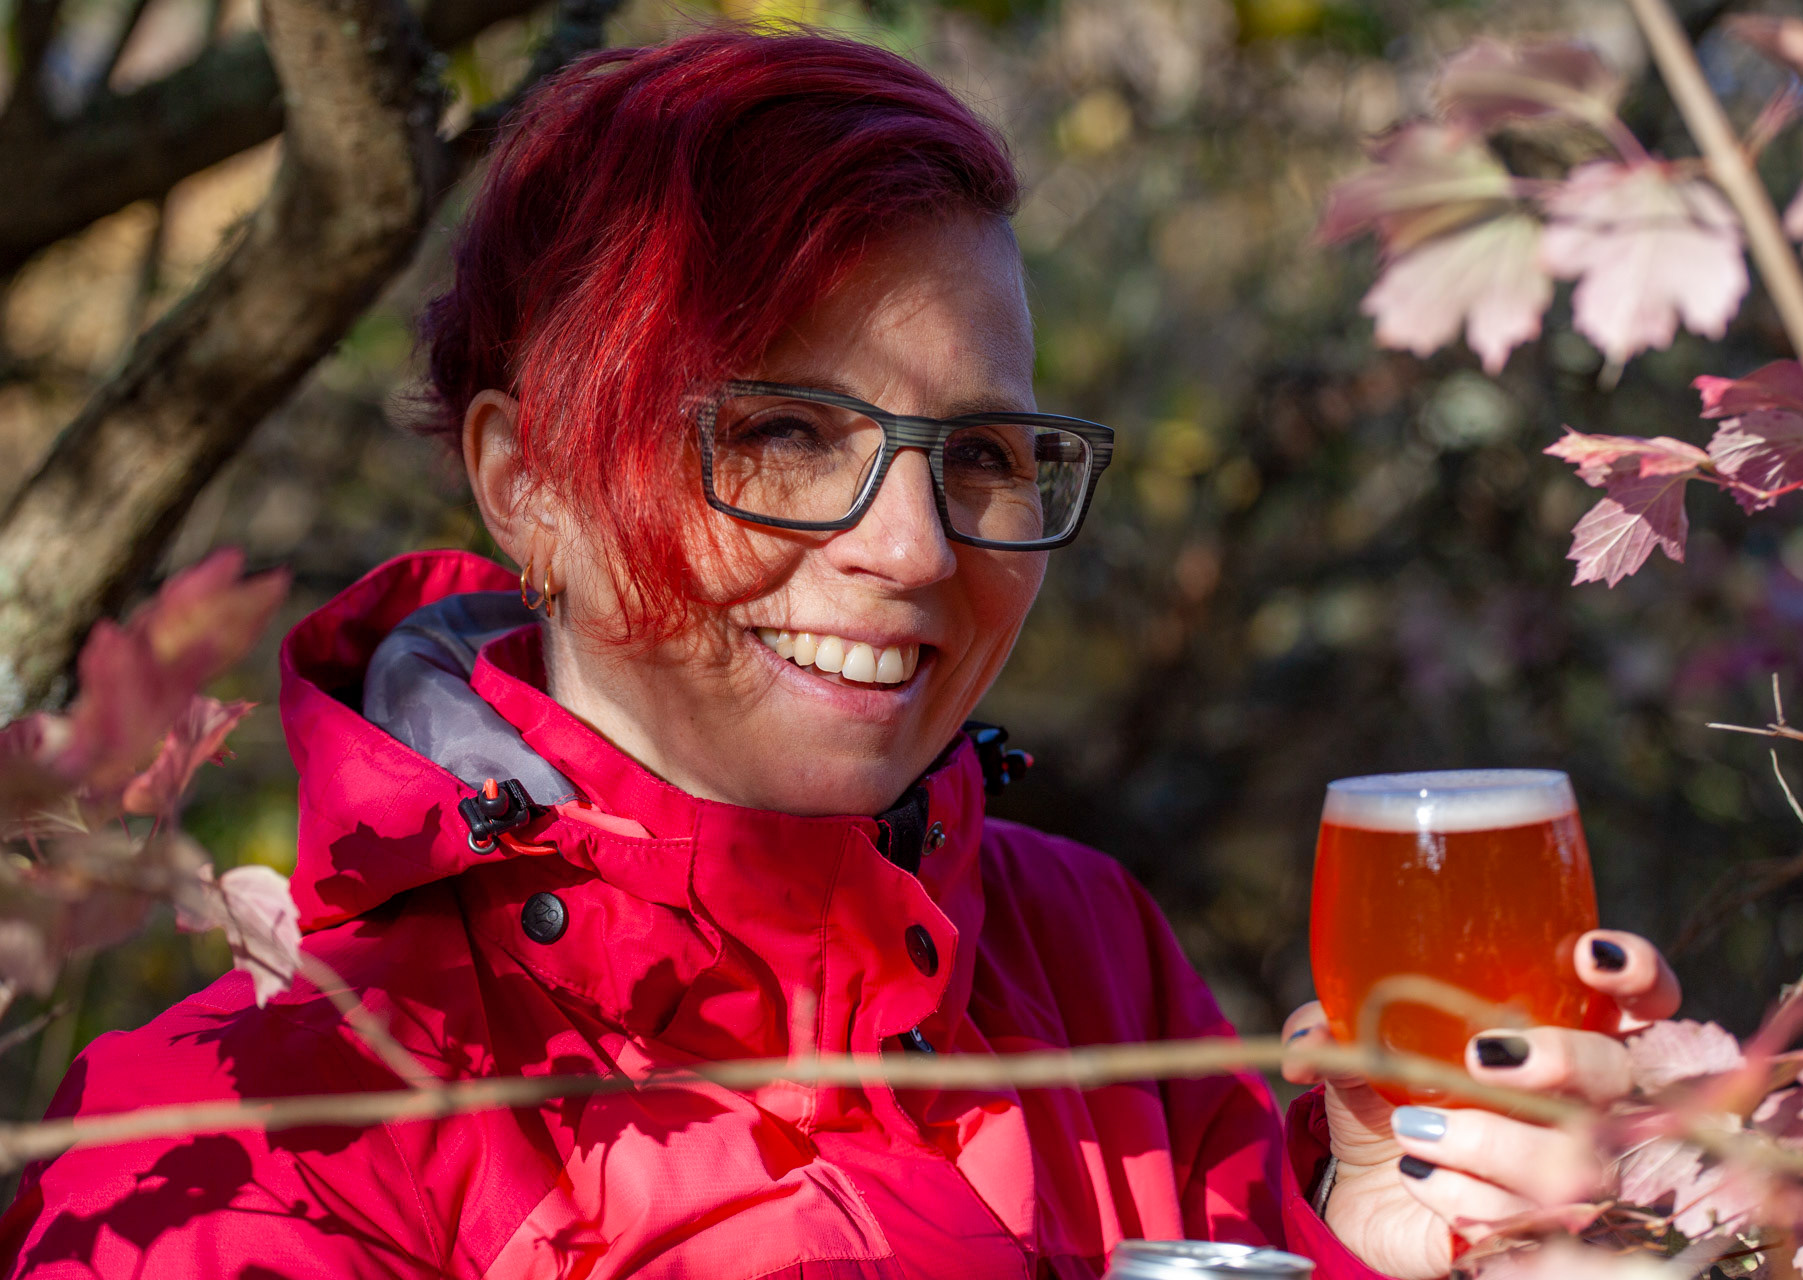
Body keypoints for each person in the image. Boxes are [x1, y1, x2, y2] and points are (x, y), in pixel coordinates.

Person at [0, 28, 1680, 1280]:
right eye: (787, 433)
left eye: (984, 454)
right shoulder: (246, 1145)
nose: (916, 551)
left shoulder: (1084, 954)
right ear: (528, 480)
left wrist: (1359, 1239)